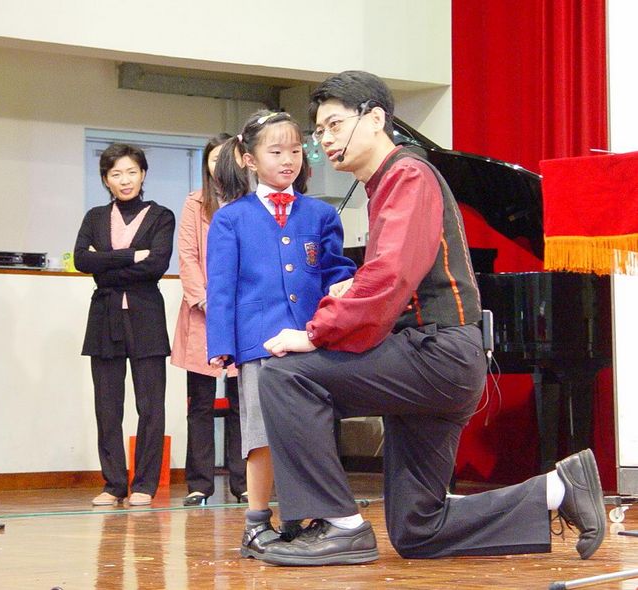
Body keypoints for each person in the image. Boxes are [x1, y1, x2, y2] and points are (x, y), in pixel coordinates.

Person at [257, 70, 606, 566]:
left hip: (438, 356)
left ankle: (338, 525)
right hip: (435, 359)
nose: (325, 140)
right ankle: (558, 489)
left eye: (334, 125)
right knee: (418, 528)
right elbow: (398, 275)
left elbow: (392, 275)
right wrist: (353, 289)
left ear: (375, 119)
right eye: (319, 132)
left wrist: (315, 333)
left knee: (286, 375)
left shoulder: (408, 175)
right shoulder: (390, 183)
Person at [206, 110, 356, 559]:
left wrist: (343, 291)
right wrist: (222, 345)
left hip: (310, 339)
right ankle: (256, 521)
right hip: (259, 342)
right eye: (276, 152)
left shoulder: (321, 214)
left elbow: (335, 270)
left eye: (295, 150)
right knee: (261, 434)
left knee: (309, 432)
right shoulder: (231, 218)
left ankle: (301, 517)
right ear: (249, 160)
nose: (288, 159)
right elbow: (221, 287)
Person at [74, 143, 175, 507]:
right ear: (106, 179)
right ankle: (114, 484)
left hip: (146, 316)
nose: (125, 180)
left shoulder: (161, 216)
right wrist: (132, 256)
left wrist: (106, 263)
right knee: (107, 405)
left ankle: (144, 484)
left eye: (132, 172)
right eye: (116, 174)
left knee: (151, 406)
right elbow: (82, 260)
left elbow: (157, 265)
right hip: (104, 317)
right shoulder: (94, 217)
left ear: (143, 174)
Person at [171, 134, 247, 506]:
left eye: (225, 158)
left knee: (240, 403)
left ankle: (243, 482)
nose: (218, 166)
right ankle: (200, 484)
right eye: (212, 160)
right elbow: (186, 255)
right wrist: (203, 299)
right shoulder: (195, 202)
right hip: (202, 313)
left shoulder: (250, 202)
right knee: (200, 403)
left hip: (242, 315)